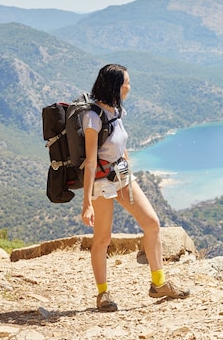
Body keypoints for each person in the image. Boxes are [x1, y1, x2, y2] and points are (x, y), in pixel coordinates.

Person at [80, 63, 190, 312]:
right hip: (101, 183)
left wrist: (129, 170)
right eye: (126, 82)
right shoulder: (92, 118)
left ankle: (159, 284)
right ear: (115, 86)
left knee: (152, 224)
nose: (130, 87)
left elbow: (120, 144)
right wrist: (86, 203)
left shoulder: (116, 110)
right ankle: (102, 293)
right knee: (103, 239)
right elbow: (89, 162)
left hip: (122, 177)